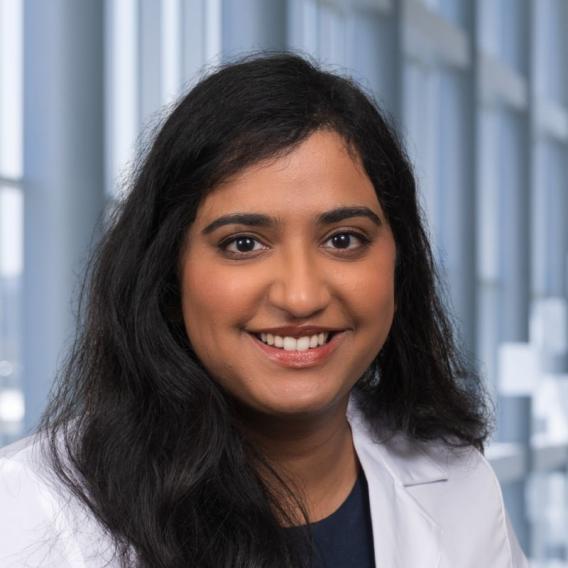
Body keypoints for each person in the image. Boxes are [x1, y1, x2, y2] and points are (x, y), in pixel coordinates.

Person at [0, 52, 528, 568]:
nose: (300, 298)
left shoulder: (459, 482)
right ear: (167, 271)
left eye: (343, 239)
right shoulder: (27, 516)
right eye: (244, 244)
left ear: (400, 259)